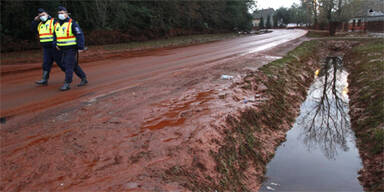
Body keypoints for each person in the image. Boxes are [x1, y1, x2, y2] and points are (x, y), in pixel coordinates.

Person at [54, 6, 88, 91]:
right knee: (72, 64)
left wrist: (81, 47)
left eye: (62, 13)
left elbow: (79, 35)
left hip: (71, 48)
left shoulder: (72, 23)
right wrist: (55, 44)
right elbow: (54, 36)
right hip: (62, 48)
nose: (60, 15)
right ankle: (83, 78)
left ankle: (67, 83)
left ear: (66, 14)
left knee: (68, 64)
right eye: (59, 13)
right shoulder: (57, 24)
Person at [32, 8, 65, 85]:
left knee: (60, 62)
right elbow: (32, 29)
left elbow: (59, 31)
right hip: (46, 48)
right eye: (40, 15)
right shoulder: (40, 24)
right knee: (46, 63)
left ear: (47, 14)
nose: (42, 16)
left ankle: (69, 75)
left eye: (43, 14)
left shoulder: (53, 21)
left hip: (55, 46)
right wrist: (35, 21)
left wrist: (57, 43)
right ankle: (44, 79)